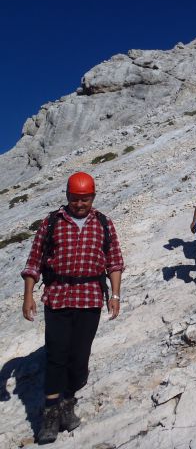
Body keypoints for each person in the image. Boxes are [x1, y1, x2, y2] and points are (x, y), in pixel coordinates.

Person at [21, 172, 124, 444]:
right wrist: (28, 295)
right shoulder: (51, 222)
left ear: (93, 197)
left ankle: (68, 403)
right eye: (76, 199)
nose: (80, 204)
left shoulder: (103, 223)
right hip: (57, 296)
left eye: (86, 199)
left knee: (80, 357)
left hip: (90, 298)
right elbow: (34, 262)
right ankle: (51, 414)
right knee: (56, 355)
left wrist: (115, 295)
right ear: (67, 196)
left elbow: (114, 261)